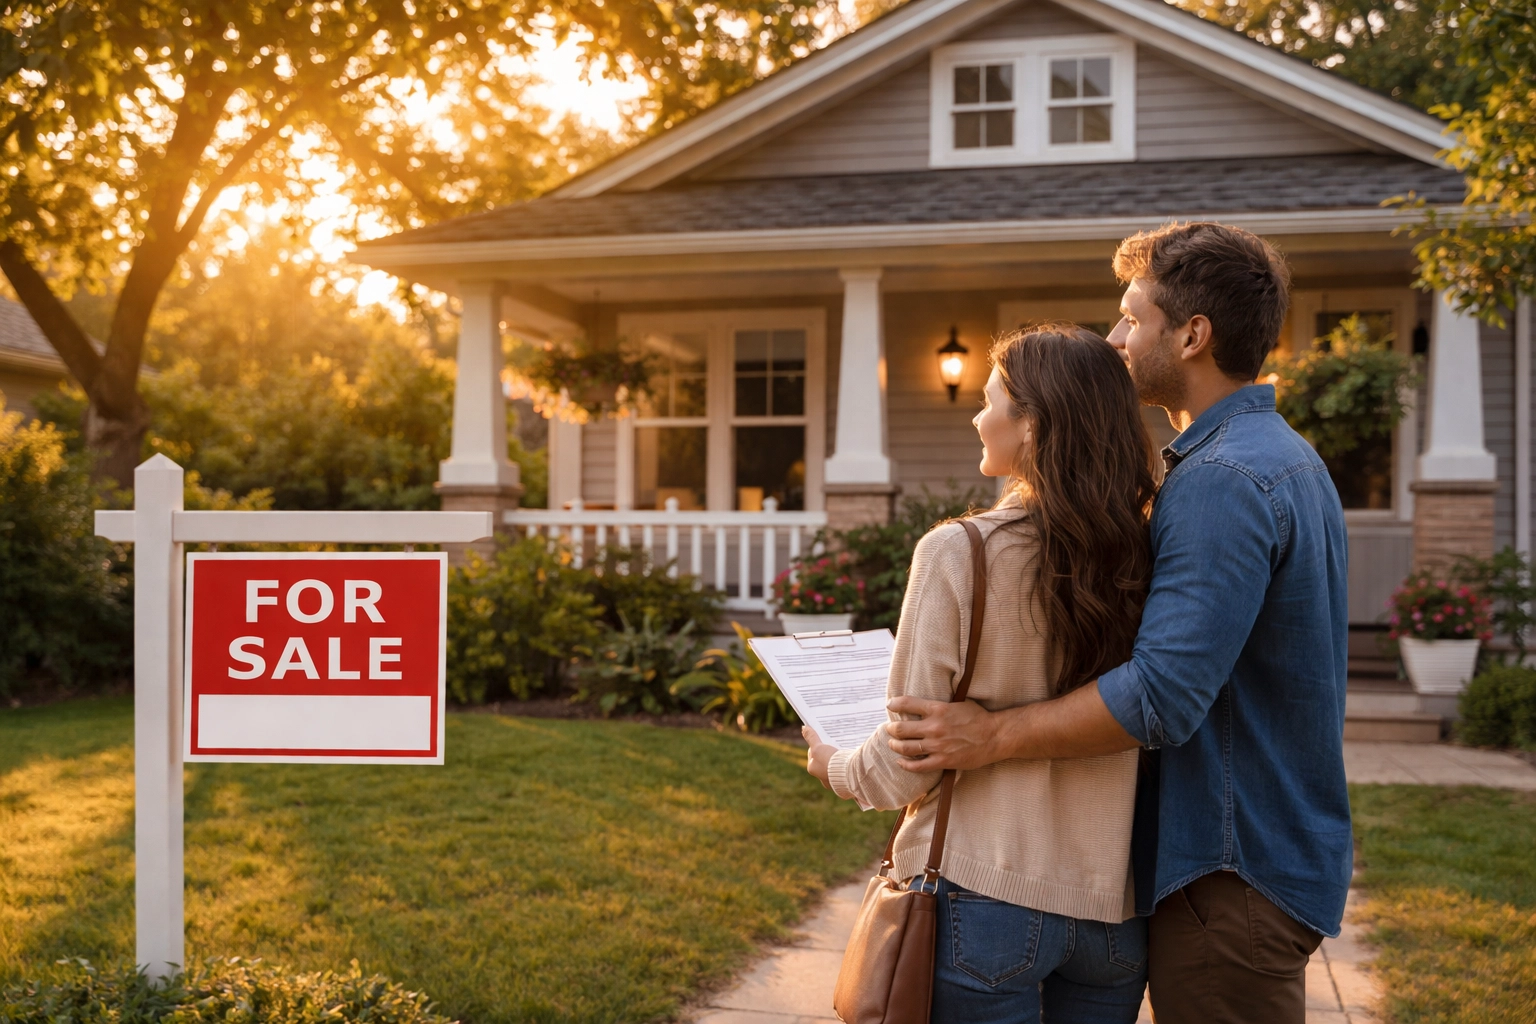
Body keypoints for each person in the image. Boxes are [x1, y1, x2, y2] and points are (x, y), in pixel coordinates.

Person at [878, 222, 1351, 1024]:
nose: (1115, 337)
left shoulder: (1222, 480)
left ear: (1193, 335)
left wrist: (990, 736)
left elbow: (1159, 696)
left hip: (1228, 875)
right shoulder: (1279, 457)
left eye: (1134, 317)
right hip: (1255, 862)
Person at [804, 322, 1158, 1024]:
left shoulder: (959, 552)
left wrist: (836, 766)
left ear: (1033, 426)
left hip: (983, 906)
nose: (976, 414)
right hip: (1112, 916)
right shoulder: (1148, 554)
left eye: (992, 399)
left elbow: (909, 760)